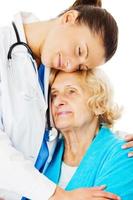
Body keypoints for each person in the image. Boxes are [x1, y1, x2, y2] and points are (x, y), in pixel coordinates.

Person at [0, 0, 132, 199]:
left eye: (81, 68)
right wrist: (59, 196)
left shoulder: (54, 64)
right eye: (80, 51)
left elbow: (84, 125)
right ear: (69, 18)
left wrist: (119, 142)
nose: (70, 67)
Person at [45, 69, 133, 200]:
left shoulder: (124, 154)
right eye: (54, 95)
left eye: (71, 91)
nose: (58, 102)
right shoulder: (45, 153)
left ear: (98, 105)